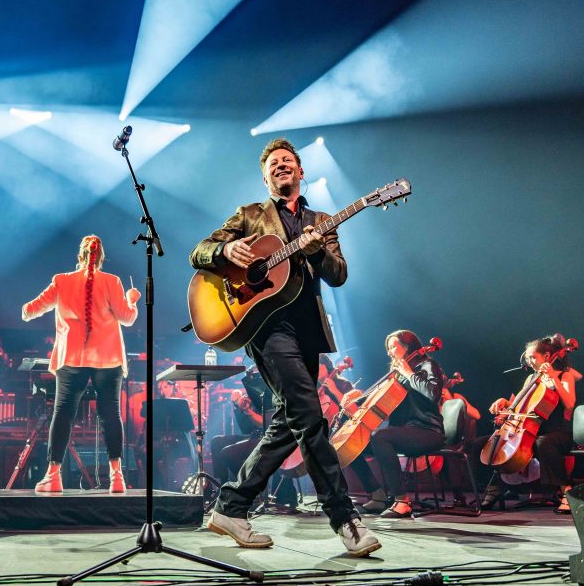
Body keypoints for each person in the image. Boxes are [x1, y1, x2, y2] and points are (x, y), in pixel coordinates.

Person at [189, 138, 380, 556]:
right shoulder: (249, 215)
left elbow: (339, 275)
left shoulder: (322, 221)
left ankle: (231, 506)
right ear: (265, 177)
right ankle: (344, 518)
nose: (281, 166)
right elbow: (198, 253)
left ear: (300, 171)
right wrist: (225, 249)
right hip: (266, 327)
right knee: (310, 418)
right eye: (273, 163)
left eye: (287, 161)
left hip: (306, 331)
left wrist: (318, 252)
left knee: (288, 424)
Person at [22, 234, 140, 494]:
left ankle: (53, 476)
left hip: (72, 358)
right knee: (111, 414)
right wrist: (131, 299)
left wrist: (26, 309)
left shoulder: (61, 281)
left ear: (80, 256)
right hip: (107, 358)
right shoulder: (112, 281)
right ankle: (117, 476)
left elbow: (30, 310)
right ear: (101, 258)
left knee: (63, 413)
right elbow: (127, 318)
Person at [341, 331, 446, 518]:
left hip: (427, 430)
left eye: (392, 347)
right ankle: (377, 495)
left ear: (407, 347)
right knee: (352, 445)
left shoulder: (428, 365)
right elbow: (382, 400)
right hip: (404, 431)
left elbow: (433, 394)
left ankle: (402, 501)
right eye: (388, 348)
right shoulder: (397, 376)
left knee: (380, 437)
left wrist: (408, 373)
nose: (389, 352)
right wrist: (357, 400)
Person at [474, 335, 581, 514]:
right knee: (482, 444)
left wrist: (554, 379)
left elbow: (570, 403)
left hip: (556, 432)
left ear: (547, 356)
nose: (529, 361)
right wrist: (505, 403)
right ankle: (493, 488)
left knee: (543, 443)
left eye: (533, 357)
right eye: (528, 358)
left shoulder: (564, 375)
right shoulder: (531, 378)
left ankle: (566, 492)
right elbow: (520, 406)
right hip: (528, 429)